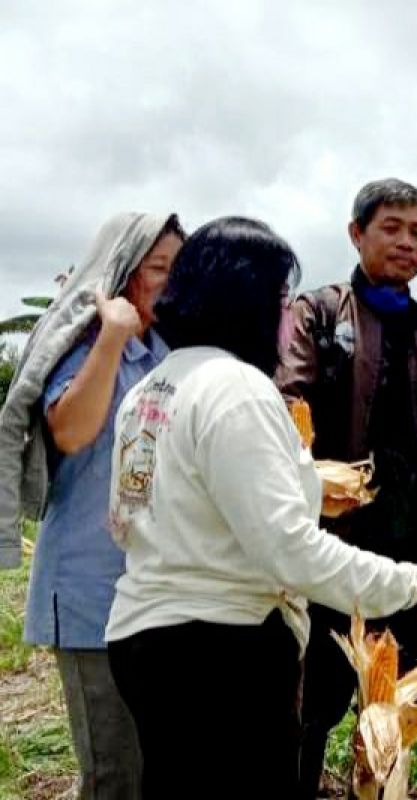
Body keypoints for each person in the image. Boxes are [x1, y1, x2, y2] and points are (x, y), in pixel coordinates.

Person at [104, 216, 417, 798]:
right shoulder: (237, 390)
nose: (285, 318)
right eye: (279, 300)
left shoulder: (151, 389)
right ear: (247, 301)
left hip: (145, 643)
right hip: (221, 655)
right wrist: (416, 588)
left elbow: (123, 522)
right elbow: (290, 550)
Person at [275, 178, 417, 797]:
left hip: (414, 539)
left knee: (395, 693)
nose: (406, 243)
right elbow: (289, 403)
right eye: (391, 228)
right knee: (318, 697)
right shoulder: (317, 315)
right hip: (336, 541)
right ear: (356, 233)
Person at [0, 212, 183, 799]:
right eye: (159, 269)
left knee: (157, 766)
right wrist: (111, 335)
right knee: (114, 775)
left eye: (181, 268)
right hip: (90, 596)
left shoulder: (167, 355)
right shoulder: (82, 349)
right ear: (123, 274)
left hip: (156, 592)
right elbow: (73, 432)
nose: (172, 282)